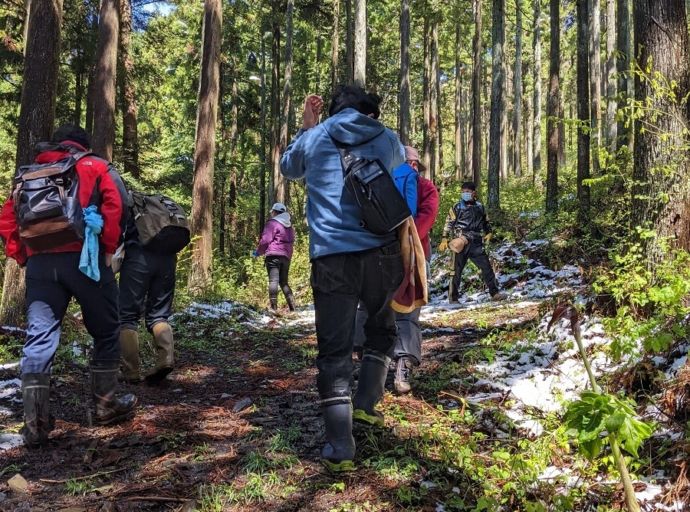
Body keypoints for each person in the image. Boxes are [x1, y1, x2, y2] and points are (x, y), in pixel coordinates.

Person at [281, 86, 405, 472]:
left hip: (332, 256)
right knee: (381, 328)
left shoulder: (317, 136)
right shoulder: (386, 137)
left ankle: (340, 446)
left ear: (335, 110)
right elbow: (399, 174)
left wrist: (306, 127)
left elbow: (289, 168)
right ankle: (367, 407)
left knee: (333, 349)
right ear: (371, 111)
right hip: (382, 253)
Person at [0, 124, 137, 447]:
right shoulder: (96, 166)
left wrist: (24, 256)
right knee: (106, 329)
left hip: (40, 265)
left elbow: (8, 219)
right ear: (82, 145)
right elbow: (118, 206)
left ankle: (34, 423)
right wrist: (107, 249)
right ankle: (106, 405)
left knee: (39, 339)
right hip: (85, 260)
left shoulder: (31, 174)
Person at [390, 146, 439, 394]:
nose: (410, 167)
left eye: (412, 163)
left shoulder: (425, 187)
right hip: (387, 254)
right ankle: (376, 364)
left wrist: (407, 240)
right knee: (381, 308)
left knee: (409, 310)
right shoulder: (386, 181)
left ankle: (403, 363)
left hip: (413, 255)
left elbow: (427, 216)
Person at [119, 193, 179, 385]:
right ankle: (166, 359)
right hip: (168, 260)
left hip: (138, 260)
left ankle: (131, 371)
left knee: (127, 316)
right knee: (159, 315)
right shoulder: (158, 209)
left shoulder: (129, 206)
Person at [439, 181, 506, 302]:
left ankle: (495, 293)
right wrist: (444, 238)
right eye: (463, 192)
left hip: (476, 241)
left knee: (486, 267)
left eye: (468, 192)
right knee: (456, 271)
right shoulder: (456, 206)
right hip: (460, 241)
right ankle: (453, 298)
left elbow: (486, 221)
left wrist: (489, 232)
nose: (465, 194)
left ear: (473, 193)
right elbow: (448, 222)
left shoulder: (480, 206)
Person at [254, 202, 296, 312]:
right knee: (284, 282)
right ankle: (293, 308)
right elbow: (291, 242)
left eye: (272, 212)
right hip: (286, 257)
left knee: (273, 281)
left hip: (273, 255)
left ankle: (273, 308)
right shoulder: (289, 226)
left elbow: (265, 240)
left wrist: (258, 252)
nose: (271, 214)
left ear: (275, 212)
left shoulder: (272, 223)